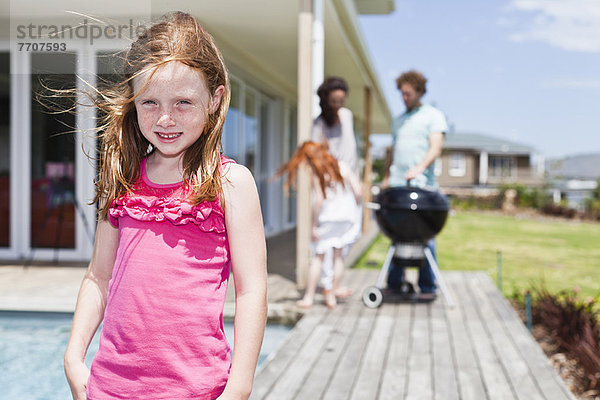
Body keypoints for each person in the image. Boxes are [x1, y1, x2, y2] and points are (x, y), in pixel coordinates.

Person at [63, 12, 267, 400]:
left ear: (215, 99)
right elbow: (98, 277)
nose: (166, 118)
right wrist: (74, 356)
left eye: (184, 102)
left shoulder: (230, 184)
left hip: (195, 389)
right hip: (111, 388)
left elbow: (252, 289)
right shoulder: (122, 179)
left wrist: (239, 387)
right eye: (150, 102)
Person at [382, 69, 448, 301]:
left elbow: (435, 147)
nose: (404, 98)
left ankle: (428, 287)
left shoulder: (433, 116)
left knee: (425, 238)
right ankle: (394, 283)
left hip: (423, 188)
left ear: (419, 91)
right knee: (396, 235)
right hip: (399, 188)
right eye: (402, 94)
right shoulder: (399, 121)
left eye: (408, 93)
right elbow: (392, 151)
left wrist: (419, 168)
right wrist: (386, 179)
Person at [274, 141, 361, 308]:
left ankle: (309, 297)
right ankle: (332, 295)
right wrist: (352, 208)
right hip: (346, 217)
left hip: (328, 217)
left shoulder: (318, 171)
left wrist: (314, 225)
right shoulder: (343, 166)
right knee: (338, 257)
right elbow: (358, 191)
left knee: (318, 257)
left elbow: (319, 199)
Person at [311, 77, 361, 300]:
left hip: (351, 182)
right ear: (326, 100)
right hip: (332, 186)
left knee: (346, 238)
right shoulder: (319, 125)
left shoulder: (347, 116)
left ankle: (332, 284)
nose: (339, 104)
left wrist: (355, 183)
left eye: (342, 100)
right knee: (328, 244)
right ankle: (328, 286)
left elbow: (351, 152)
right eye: (335, 100)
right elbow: (316, 160)